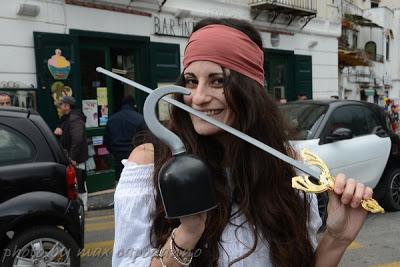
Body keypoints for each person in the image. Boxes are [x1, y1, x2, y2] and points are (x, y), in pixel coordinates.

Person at [113, 18, 373, 267]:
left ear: (249, 91)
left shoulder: (287, 164)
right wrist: (186, 236)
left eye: (217, 81)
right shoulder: (151, 164)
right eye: (191, 81)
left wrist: (337, 239)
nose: (198, 97)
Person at [54, 96, 89, 210]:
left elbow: (77, 139)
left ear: (67, 106)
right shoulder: (68, 118)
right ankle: (80, 206)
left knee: (79, 182)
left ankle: (83, 207)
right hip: (72, 155)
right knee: (76, 181)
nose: (59, 107)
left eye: (61, 105)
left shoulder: (74, 118)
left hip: (76, 157)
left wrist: (73, 157)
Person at [104, 95, 147, 183]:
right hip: (135, 155)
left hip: (117, 156)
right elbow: (146, 139)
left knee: (120, 180)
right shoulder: (140, 119)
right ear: (133, 104)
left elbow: (106, 140)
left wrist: (113, 150)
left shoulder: (112, 119)